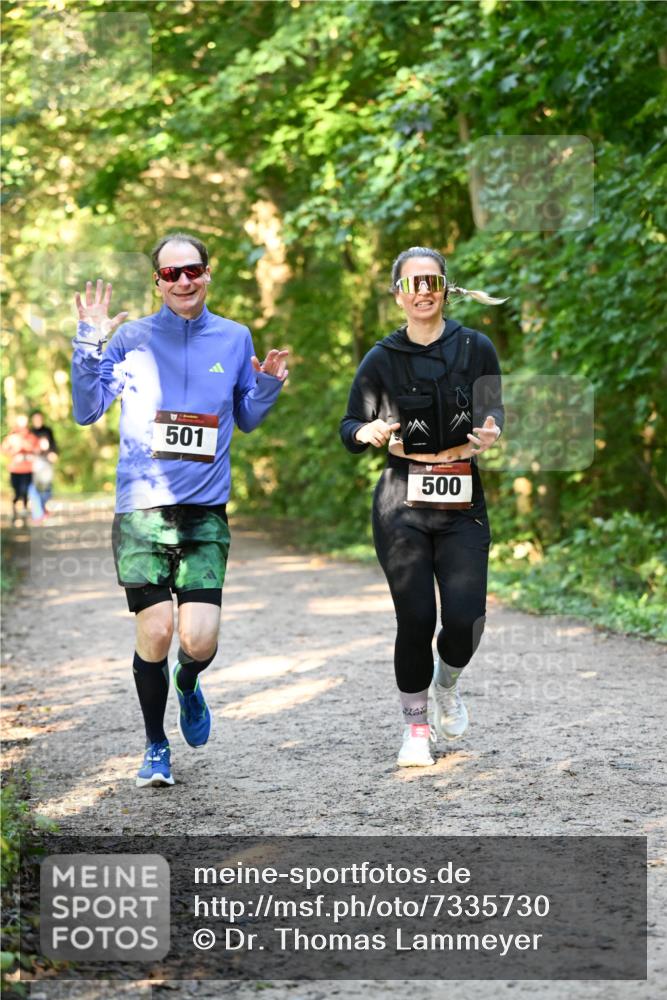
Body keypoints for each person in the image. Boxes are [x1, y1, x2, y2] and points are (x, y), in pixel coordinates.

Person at [71, 232, 288, 788]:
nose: (183, 281)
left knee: (197, 641)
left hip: (204, 512)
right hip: (142, 509)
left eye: (192, 270)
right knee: (158, 631)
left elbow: (247, 416)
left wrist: (265, 387)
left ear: (207, 273)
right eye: (171, 274)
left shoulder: (235, 337)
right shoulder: (131, 339)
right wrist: (89, 342)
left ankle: (189, 684)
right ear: (158, 283)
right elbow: (87, 409)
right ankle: (155, 745)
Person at [340, 246, 505, 767]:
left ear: (445, 287)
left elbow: (493, 409)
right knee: (414, 618)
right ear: (398, 295)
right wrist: (366, 430)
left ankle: (447, 683)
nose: (423, 291)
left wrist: (492, 431)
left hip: (462, 496)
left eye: (432, 280)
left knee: (466, 618)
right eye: (413, 283)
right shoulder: (381, 358)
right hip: (401, 500)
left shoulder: (476, 347)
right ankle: (415, 730)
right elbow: (348, 428)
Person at [2, 414, 40, 527]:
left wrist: (29, 450)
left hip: (28, 469)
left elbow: (37, 449)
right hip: (15, 469)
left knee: (25, 492)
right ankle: (14, 511)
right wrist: (14, 452)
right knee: (17, 492)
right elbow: (3, 450)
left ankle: (24, 515)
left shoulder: (31, 437)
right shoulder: (12, 437)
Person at [28, 410, 58, 522]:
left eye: (39, 418)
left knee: (47, 487)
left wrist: (54, 453)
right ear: (32, 420)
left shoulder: (47, 430)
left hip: (46, 461)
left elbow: (53, 444)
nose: (38, 421)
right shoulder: (29, 432)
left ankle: (43, 507)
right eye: (35, 419)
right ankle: (38, 514)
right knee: (34, 487)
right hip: (34, 462)